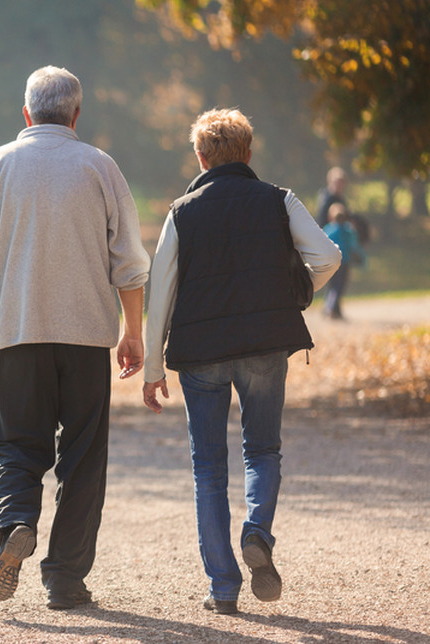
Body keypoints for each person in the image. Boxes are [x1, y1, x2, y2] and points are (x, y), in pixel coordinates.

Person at [0, 65, 151, 610]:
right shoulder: (100, 166)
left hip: (17, 336)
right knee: (83, 459)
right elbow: (129, 264)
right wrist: (134, 332)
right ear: (76, 114)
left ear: (26, 113)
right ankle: (64, 580)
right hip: (86, 340)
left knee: (17, 445)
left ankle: (15, 524)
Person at [141, 108, 341, 615]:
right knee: (263, 450)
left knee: (208, 469)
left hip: (201, 354)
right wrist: (294, 291)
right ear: (249, 154)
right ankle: (258, 533)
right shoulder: (280, 200)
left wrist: (152, 366)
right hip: (266, 344)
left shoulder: (182, 212)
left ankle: (224, 588)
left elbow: (160, 289)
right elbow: (328, 256)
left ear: (201, 157)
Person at [322, 202, 366, 319]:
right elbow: (354, 246)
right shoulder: (348, 230)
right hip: (344, 262)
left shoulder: (328, 230)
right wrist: (360, 257)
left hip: (330, 262)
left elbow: (323, 245)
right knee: (339, 287)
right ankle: (330, 308)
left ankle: (333, 309)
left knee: (332, 286)